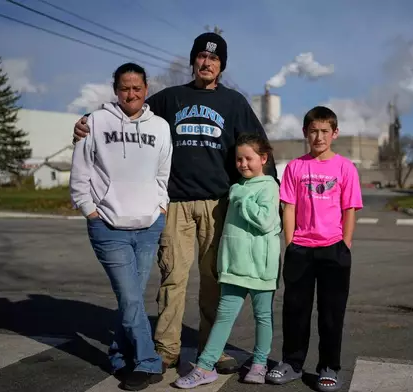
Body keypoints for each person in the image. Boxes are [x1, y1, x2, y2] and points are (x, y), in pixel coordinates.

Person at [71, 32, 277, 374]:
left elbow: (259, 147)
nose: (207, 63)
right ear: (193, 60)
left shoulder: (235, 103)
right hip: (176, 203)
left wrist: (272, 192)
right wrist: (86, 124)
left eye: (214, 59)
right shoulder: (171, 99)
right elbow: (128, 108)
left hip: (218, 203)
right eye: (201, 57)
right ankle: (166, 348)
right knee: (172, 278)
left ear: (221, 65)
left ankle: (214, 346)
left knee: (215, 279)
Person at [69, 62, 172, 391]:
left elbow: (162, 174)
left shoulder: (159, 127)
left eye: (137, 88)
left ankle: (118, 354)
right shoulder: (96, 122)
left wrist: (160, 208)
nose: (131, 93)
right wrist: (89, 210)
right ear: (116, 90)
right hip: (108, 227)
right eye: (125, 87)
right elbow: (80, 172)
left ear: (146, 90)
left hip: (148, 226)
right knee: (130, 298)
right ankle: (147, 361)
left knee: (133, 299)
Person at [264, 106, 363, 392]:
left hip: (334, 249)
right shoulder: (296, 167)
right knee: (296, 310)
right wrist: (291, 243)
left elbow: (349, 209)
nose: (318, 137)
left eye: (324, 131)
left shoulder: (345, 168)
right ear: (305, 133)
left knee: (332, 312)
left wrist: (345, 244)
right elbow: (289, 207)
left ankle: (329, 367)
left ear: (334, 133)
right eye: (313, 131)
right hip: (301, 249)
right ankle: (292, 364)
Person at [172, 133, 281, 389]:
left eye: (249, 159)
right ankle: (205, 367)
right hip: (233, 268)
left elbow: (266, 222)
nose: (243, 164)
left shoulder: (269, 186)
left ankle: (259, 363)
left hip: (261, 268)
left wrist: (242, 200)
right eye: (239, 160)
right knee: (222, 318)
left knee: (263, 317)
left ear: (263, 158)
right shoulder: (236, 187)